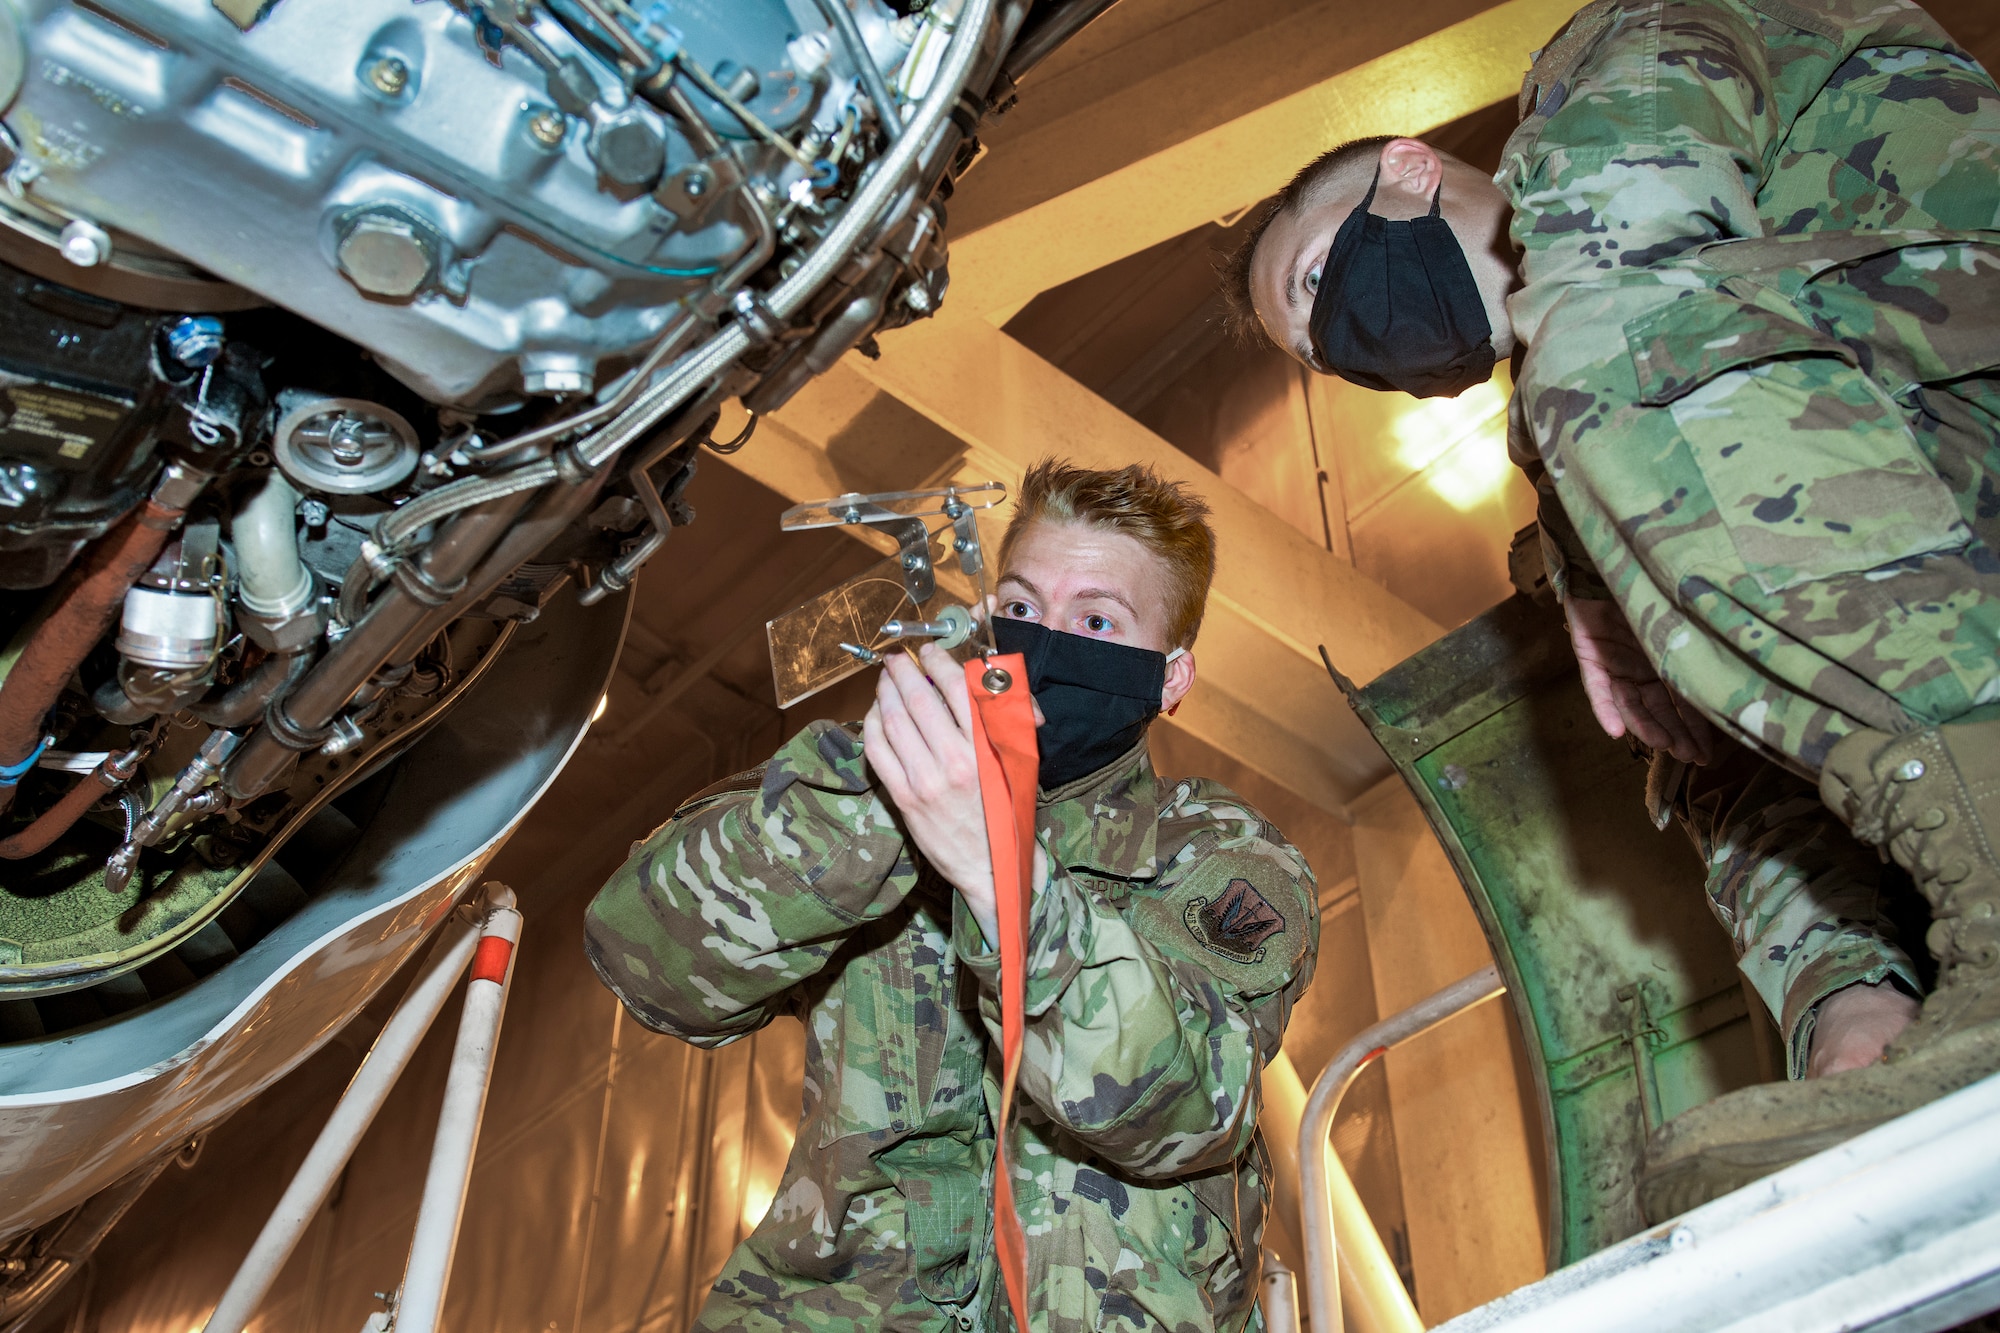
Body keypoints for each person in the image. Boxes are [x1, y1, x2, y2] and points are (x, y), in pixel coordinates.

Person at [1224, 0, 2000, 1218]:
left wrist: (1592, 534)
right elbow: (1729, 768)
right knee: (1676, 705)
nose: (1346, 339)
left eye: (1319, 276)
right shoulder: (1588, 443)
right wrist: (1843, 998)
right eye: (1323, 353)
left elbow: (1628, 230)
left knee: (1601, 364)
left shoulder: (1615, 62)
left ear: (1405, 176)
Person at [585, 459, 1319, 1331]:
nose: (1043, 641)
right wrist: (883, 802)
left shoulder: (1214, 852)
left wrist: (998, 872)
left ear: (1169, 677)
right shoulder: (868, 793)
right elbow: (644, 958)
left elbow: (1187, 1105)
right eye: (1018, 608)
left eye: (1095, 619)